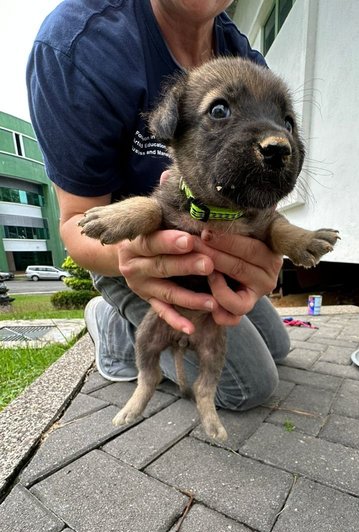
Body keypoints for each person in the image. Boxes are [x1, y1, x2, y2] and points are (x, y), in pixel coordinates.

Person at [27, 0, 290, 410]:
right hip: (126, 249)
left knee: (278, 347)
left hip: (213, 246)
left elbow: (264, 195)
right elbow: (77, 222)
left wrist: (266, 254)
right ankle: (111, 320)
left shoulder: (246, 59)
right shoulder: (78, 45)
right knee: (247, 387)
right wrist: (132, 257)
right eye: (219, 111)